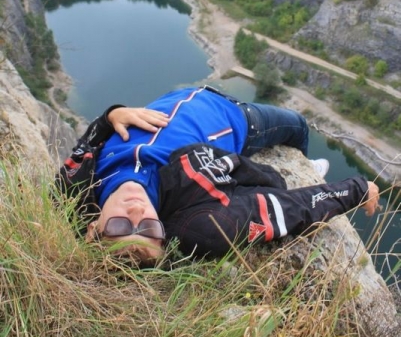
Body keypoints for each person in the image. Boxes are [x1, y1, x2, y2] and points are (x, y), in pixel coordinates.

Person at [59, 85, 380, 263]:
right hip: (240, 120)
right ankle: (309, 167)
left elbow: (92, 136)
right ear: (163, 233)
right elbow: (285, 210)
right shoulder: (199, 220)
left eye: (119, 225)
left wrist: (114, 113)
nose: (136, 212)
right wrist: (354, 190)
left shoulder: (77, 183)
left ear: (92, 228)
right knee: (298, 126)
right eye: (148, 227)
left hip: (178, 95)